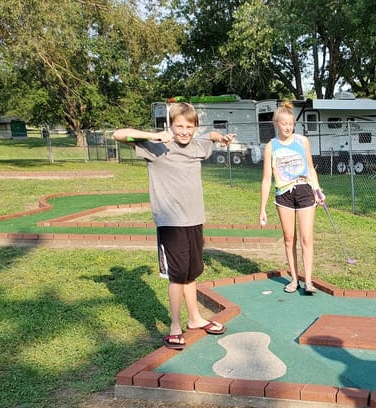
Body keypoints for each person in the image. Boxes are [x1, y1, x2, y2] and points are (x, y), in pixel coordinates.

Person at [113, 102, 234, 350]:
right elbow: (118, 134)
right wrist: (153, 135)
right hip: (171, 222)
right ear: (170, 125)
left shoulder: (198, 146)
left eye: (189, 127)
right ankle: (175, 327)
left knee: (191, 273)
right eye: (179, 126)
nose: (184, 131)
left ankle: (195, 319)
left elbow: (210, 136)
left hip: (195, 219)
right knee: (177, 276)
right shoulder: (155, 147)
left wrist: (220, 138)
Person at [259, 101, 324, 295]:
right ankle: (294, 280)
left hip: (304, 191)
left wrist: (318, 190)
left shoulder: (302, 141)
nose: (288, 127)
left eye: (291, 123)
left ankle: (308, 281)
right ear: (276, 124)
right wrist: (262, 209)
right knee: (289, 239)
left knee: (306, 238)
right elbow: (266, 179)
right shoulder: (271, 146)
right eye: (284, 123)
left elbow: (310, 168)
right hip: (283, 195)